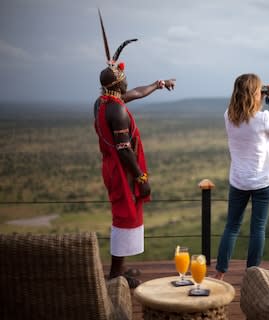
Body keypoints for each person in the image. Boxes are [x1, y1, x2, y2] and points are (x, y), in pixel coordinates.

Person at [94, 10, 175, 288]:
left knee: (127, 215)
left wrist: (158, 83)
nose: (128, 80)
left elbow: (137, 93)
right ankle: (116, 276)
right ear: (118, 84)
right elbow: (125, 150)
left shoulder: (104, 101)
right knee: (124, 217)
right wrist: (142, 178)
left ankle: (120, 270)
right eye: (124, 78)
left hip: (116, 167)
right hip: (123, 169)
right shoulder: (117, 112)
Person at [214, 73, 269, 280]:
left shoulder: (228, 116)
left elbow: (245, 111)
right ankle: (251, 274)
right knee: (258, 228)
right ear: (255, 94)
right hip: (262, 182)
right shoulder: (264, 119)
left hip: (239, 181)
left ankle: (219, 273)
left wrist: (259, 95)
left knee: (231, 227)